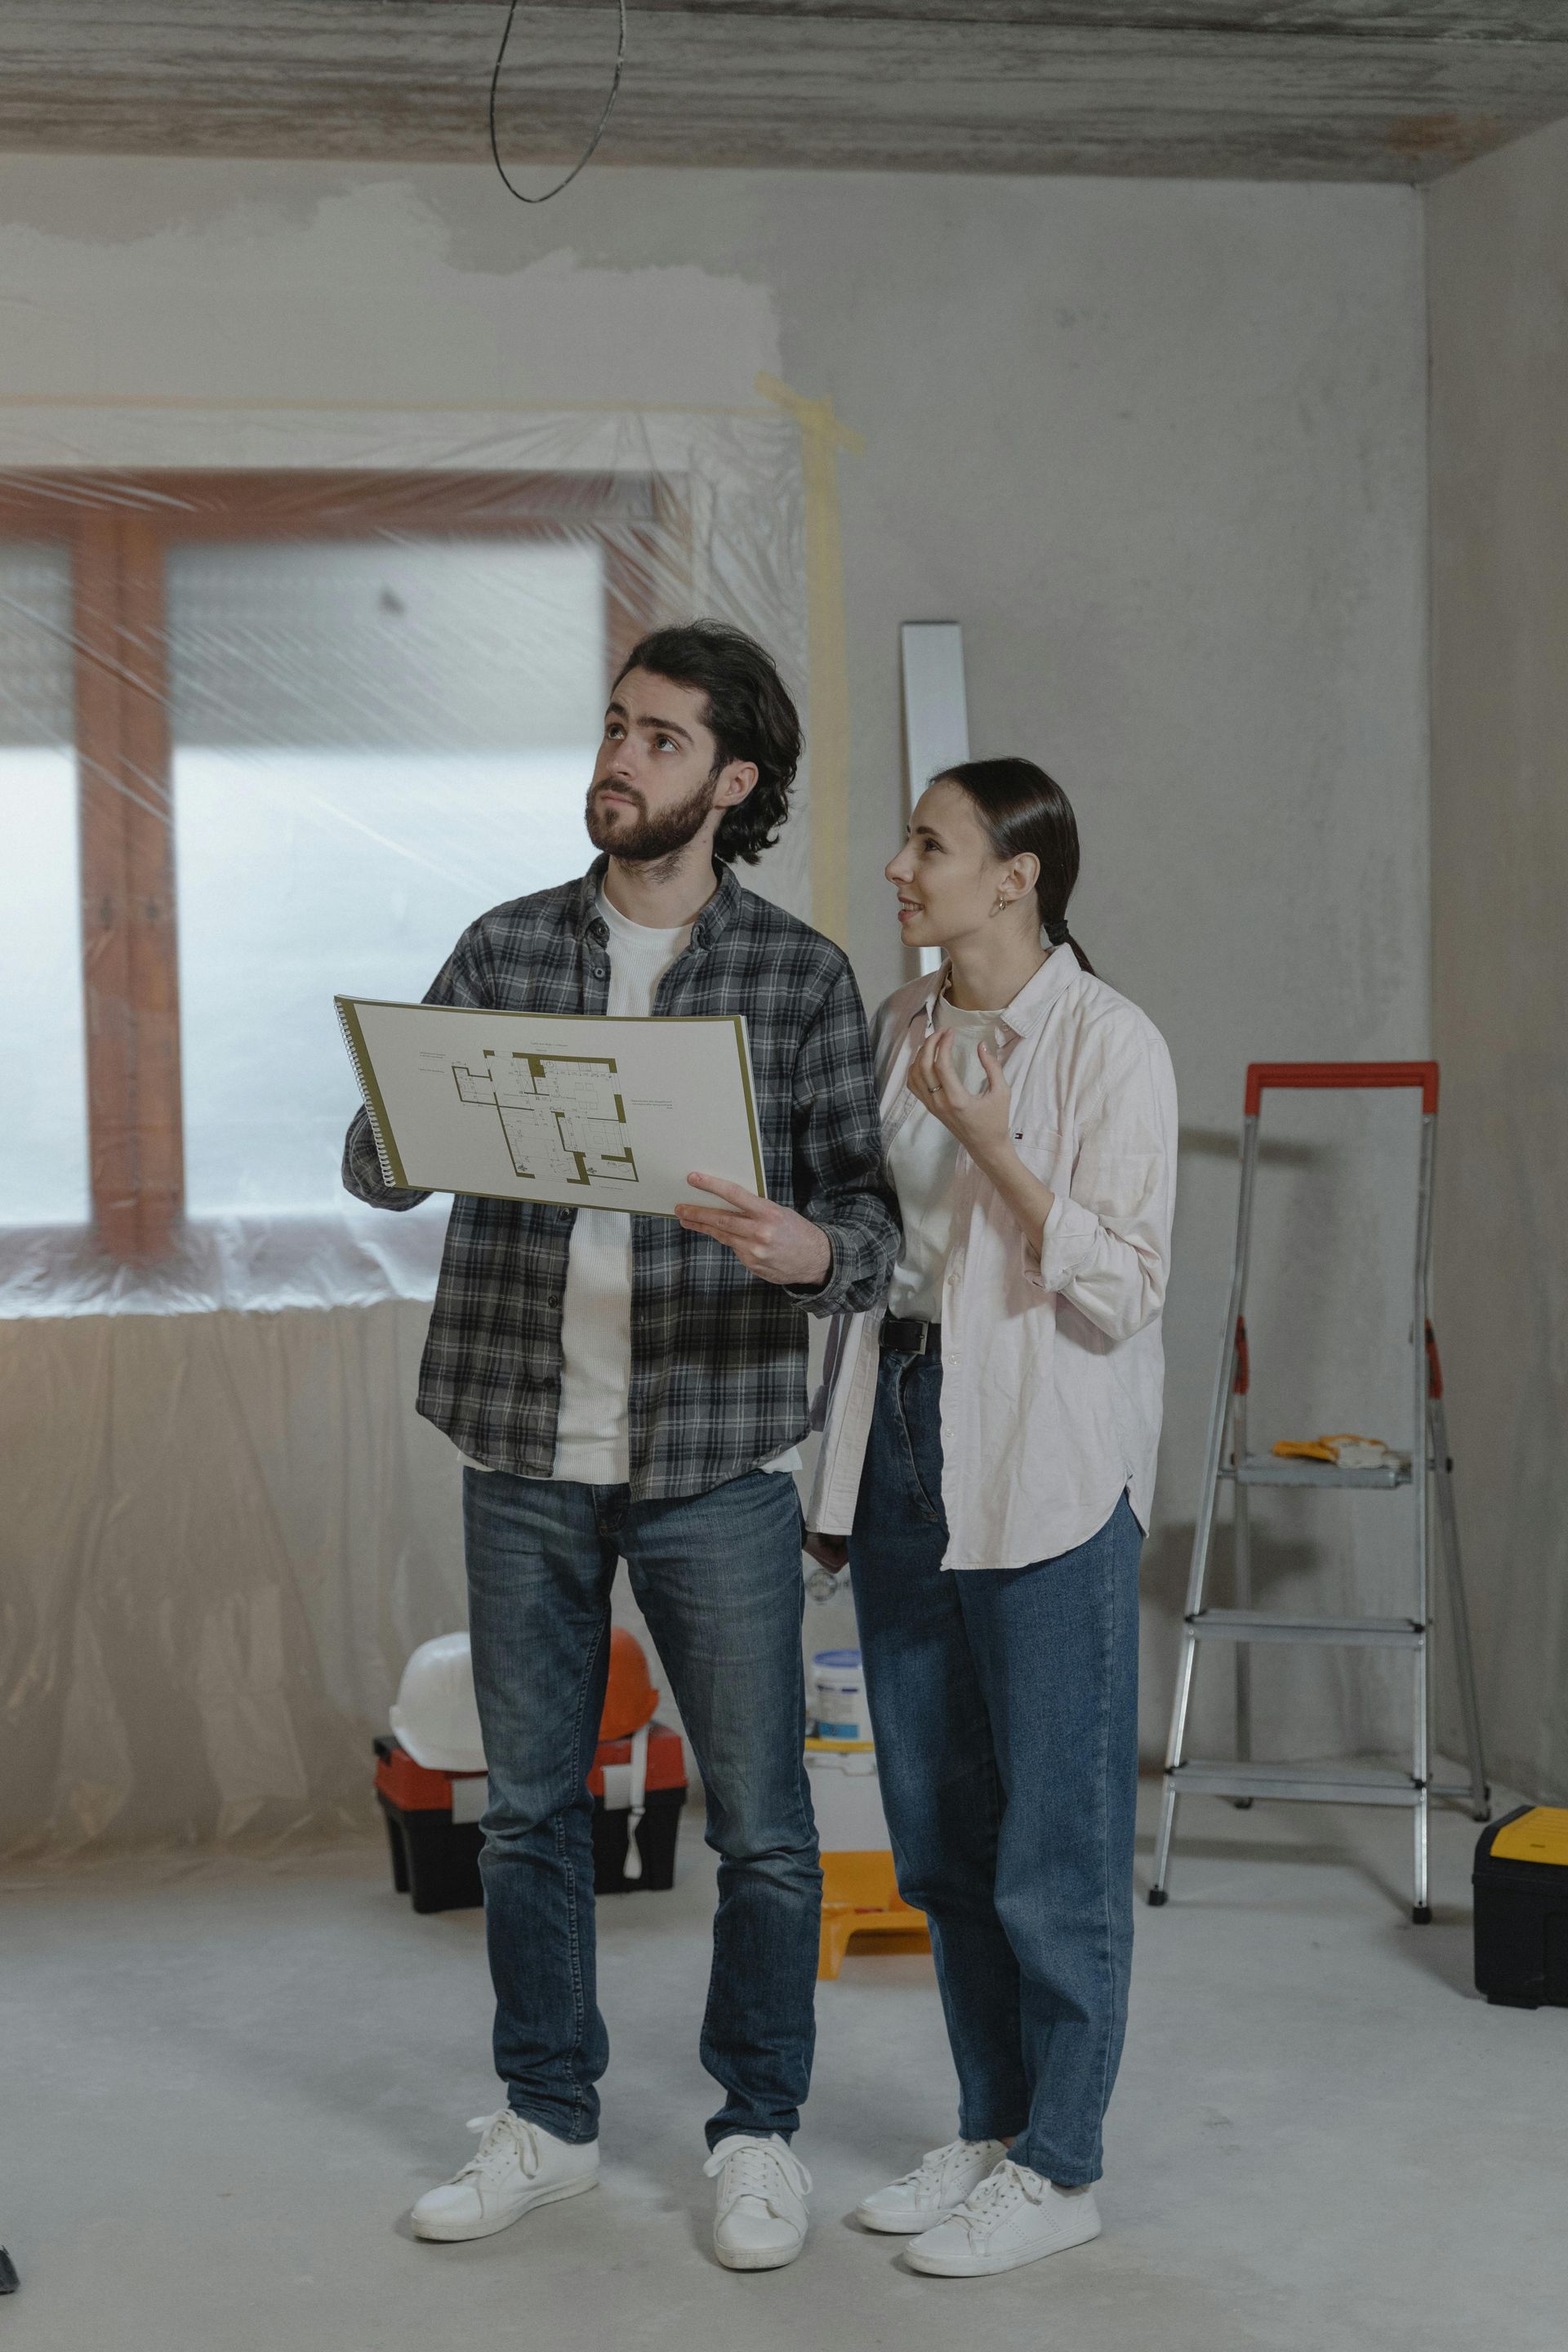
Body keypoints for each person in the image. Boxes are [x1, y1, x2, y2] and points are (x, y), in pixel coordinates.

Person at [344, 621, 898, 2271]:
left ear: (732, 783)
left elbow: (867, 1224)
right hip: (524, 1443)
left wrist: (809, 1252)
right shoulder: (504, 946)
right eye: (613, 728)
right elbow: (380, 1163)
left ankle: (758, 2128)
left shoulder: (797, 977)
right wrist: (400, 1130)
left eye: (660, 741)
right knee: (525, 1811)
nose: (620, 760)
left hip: (718, 1454)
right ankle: (548, 2120)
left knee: (765, 1822)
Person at [805, 758, 1177, 2279]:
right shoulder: (908, 1027)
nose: (902, 867)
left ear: (1017, 875)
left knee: (1057, 1845)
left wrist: (996, 1145)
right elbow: (887, 1268)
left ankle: (1065, 2164)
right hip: (902, 1433)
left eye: (931, 844)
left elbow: (1125, 1284)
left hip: (1042, 1452)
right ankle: (991, 2124)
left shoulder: (1109, 1041)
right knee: (944, 1837)